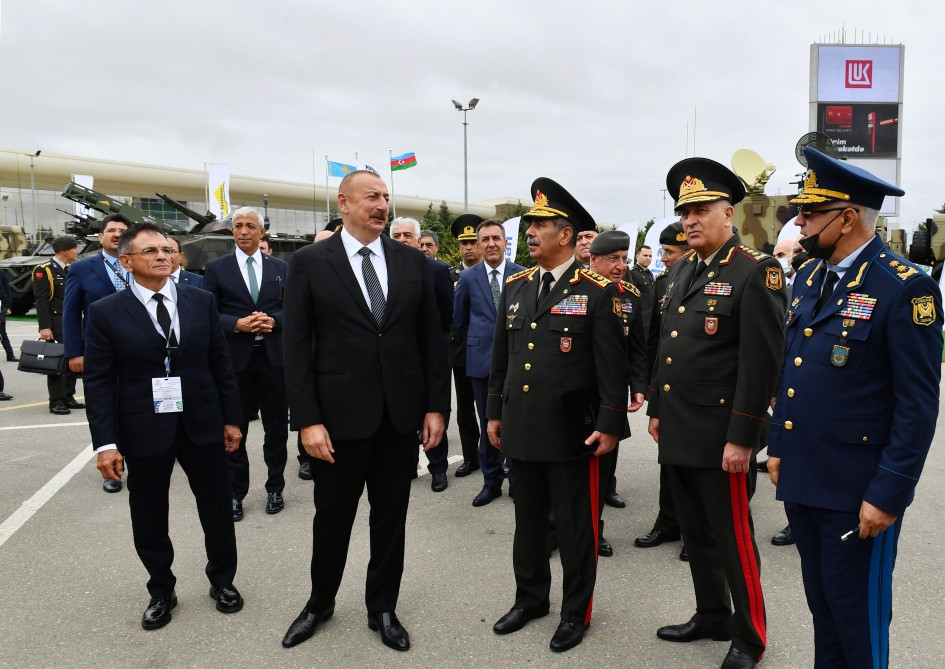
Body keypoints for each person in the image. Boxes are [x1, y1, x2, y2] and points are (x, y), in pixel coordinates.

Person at [768, 147, 942, 669]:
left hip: (857, 492)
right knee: (823, 609)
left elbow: (917, 404)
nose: (799, 223)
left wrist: (889, 492)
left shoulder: (905, 287)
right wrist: (778, 447)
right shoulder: (812, 278)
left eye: (810, 213)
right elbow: (791, 369)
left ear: (846, 218)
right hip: (805, 479)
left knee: (858, 618)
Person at [280, 170, 449, 652]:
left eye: (386, 197)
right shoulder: (310, 262)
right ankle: (320, 603)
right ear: (344, 203)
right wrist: (307, 420)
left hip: (399, 419)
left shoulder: (411, 261)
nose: (381, 205)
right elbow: (296, 347)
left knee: (390, 520)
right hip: (336, 422)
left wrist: (436, 408)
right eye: (372, 196)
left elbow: (431, 340)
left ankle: (383, 607)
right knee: (332, 519)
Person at [647, 158, 786, 669]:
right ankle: (710, 615)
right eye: (684, 212)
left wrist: (743, 437)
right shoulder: (682, 268)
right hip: (680, 428)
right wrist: (657, 408)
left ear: (728, 213)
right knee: (696, 534)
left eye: (701, 210)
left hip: (723, 434)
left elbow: (761, 362)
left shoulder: (756, 270)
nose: (690, 220)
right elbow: (667, 346)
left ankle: (749, 637)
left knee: (733, 540)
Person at [487, 178, 628, 654]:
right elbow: (501, 359)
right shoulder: (516, 286)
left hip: (573, 433)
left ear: (565, 235)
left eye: (540, 225)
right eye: (529, 224)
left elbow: (612, 368)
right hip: (522, 425)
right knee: (527, 524)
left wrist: (609, 424)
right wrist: (494, 413)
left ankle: (575, 613)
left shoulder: (598, 291)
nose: (530, 232)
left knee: (574, 529)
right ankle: (530, 600)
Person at [84, 222, 244, 631]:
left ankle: (222, 581)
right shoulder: (106, 312)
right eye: (151, 251)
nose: (162, 256)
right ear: (126, 261)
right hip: (143, 428)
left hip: (202, 422)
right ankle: (161, 589)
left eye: (167, 250)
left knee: (217, 508)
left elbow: (220, 363)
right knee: (149, 514)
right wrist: (105, 444)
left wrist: (231, 419)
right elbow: (99, 382)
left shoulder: (200, 300)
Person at [203, 207, 290, 520]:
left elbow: (294, 308)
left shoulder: (280, 267)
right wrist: (235, 324)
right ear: (232, 231)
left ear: (261, 232)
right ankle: (235, 492)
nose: (243, 231)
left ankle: (275, 487)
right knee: (234, 429)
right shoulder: (217, 268)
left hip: (273, 360)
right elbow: (207, 312)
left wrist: (274, 321)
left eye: (250, 226)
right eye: (238, 225)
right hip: (235, 362)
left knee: (276, 429)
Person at [453, 218, 525, 506]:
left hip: (517, 363)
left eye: (496, 238)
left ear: (505, 243)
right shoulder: (468, 278)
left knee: (517, 424)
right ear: (480, 245)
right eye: (486, 239)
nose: (491, 244)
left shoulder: (523, 274)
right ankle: (491, 481)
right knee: (488, 423)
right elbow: (459, 320)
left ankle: (517, 480)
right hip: (482, 363)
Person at [587, 230, 648, 557]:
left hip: (611, 395)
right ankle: (556, 529)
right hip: (576, 393)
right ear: (593, 259)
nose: (620, 266)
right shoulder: (576, 290)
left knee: (603, 466)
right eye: (613, 259)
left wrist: (638, 387)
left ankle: (593, 530)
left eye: (624, 259)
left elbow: (637, 347)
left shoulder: (630, 295)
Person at [63, 212, 131, 493]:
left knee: (137, 405)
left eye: (123, 231)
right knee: (104, 407)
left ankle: (140, 457)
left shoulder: (139, 264)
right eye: (111, 230)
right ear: (100, 236)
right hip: (99, 353)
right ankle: (111, 465)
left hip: (139, 351)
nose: (117, 235)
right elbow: (70, 313)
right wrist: (74, 352)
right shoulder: (82, 269)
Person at [635, 222, 691, 556]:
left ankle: (695, 534)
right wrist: (652, 399)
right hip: (669, 391)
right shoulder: (663, 283)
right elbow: (657, 343)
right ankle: (668, 522)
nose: (664, 259)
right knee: (669, 463)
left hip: (702, 396)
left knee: (697, 470)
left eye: (669, 252)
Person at [389, 216, 453, 492]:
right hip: (396, 358)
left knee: (433, 412)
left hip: (428, 356)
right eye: (397, 236)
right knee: (402, 414)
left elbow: (446, 315)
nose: (402, 240)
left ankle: (438, 468)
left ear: (418, 240)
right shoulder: (382, 269)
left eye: (407, 235)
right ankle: (408, 464)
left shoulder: (437, 270)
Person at [759, 234, 802, 547]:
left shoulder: (811, 284)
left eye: (795, 251)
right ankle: (796, 519)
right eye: (784, 253)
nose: (791, 258)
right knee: (791, 458)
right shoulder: (789, 287)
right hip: (788, 389)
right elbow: (778, 344)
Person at [448, 214, 484, 478]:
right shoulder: (449, 275)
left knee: (492, 408)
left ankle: (498, 456)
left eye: (473, 242)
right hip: (461, 351)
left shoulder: (493, 274)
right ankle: (471, 457)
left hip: (488, 351)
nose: (469, 247)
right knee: (465, 409)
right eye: (464, 243)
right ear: (459, 247)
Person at [33, 236, 84, 415]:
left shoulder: (72, 269)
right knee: (57, 363)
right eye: (74, 248)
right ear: (64, 251)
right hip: (56, 323)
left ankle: (69, 396)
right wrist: (44, 327)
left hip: (73, 323)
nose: (77, 251)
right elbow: (41, 300)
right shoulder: (44, 270)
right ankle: (56, 400)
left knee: (72, 359)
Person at [627, 244, 656, 342]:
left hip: (650, 319)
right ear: (637, 256)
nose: (648, 258)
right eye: (645, 255)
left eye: (650, 256)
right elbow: (631, 298)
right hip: (641, 320)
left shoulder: (649, 273)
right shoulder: (632, 273)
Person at [0, 267, 15, 361]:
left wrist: (7, 306)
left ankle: (10, 355)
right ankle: (10, 355)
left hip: (1, 307)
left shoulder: (1, 273)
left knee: (2, 332)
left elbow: (6, 290)